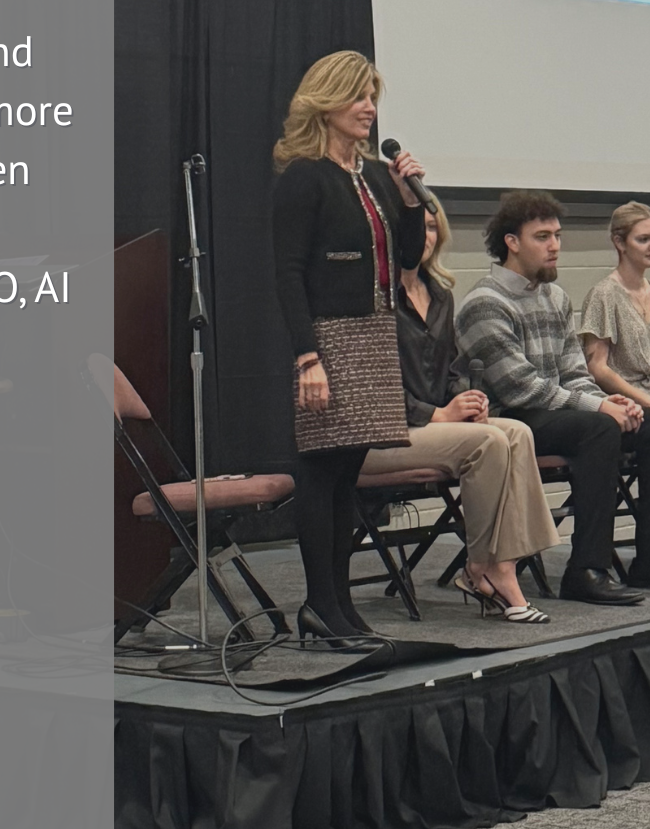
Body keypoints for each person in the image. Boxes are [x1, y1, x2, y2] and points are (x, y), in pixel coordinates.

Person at [272, 50, 426, 640]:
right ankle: (320, 604)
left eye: (372, 96)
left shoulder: (373, 177)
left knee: (347, 477)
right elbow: (288, 273)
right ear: (327, 101)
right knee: (321, 472)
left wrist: (409, 198)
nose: (369, 107)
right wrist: (307, 356)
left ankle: (338, 606)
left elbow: (409, 256)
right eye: (358, 96)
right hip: (330, 340)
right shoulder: (305, 176)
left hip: (374, 332)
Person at [362, 201, 559, 622]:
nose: (425, 237)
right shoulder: (373, 296)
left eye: (433, 228)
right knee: (487, 442)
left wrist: (468, 400)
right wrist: (437, 414)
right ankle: (485, 568)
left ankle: (501, 566)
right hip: (384, 430)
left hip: (433, 426)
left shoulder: (439, 294)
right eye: (418, 227)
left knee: (517, 432)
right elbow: (371, 383)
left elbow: (452, 368)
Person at [455, 191, 646, 605]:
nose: (555, 245)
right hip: (507, 420)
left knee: (643, 424)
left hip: (554, 413)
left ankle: (646, 563)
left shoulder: (555, 297)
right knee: (598, 428)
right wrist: (600, 406)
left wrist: (614, 402)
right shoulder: (485, 303)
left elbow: (575, 373)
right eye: (542, 237)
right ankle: (586, 571)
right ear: (512, 242)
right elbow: (520, 388)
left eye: (557, 235)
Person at [579, 201, 650, 585]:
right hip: (626, 407)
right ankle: (646, 564)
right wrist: (644, 399)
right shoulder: (605, 295)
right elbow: (599, 368)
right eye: (644, 239)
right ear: (620, 243)